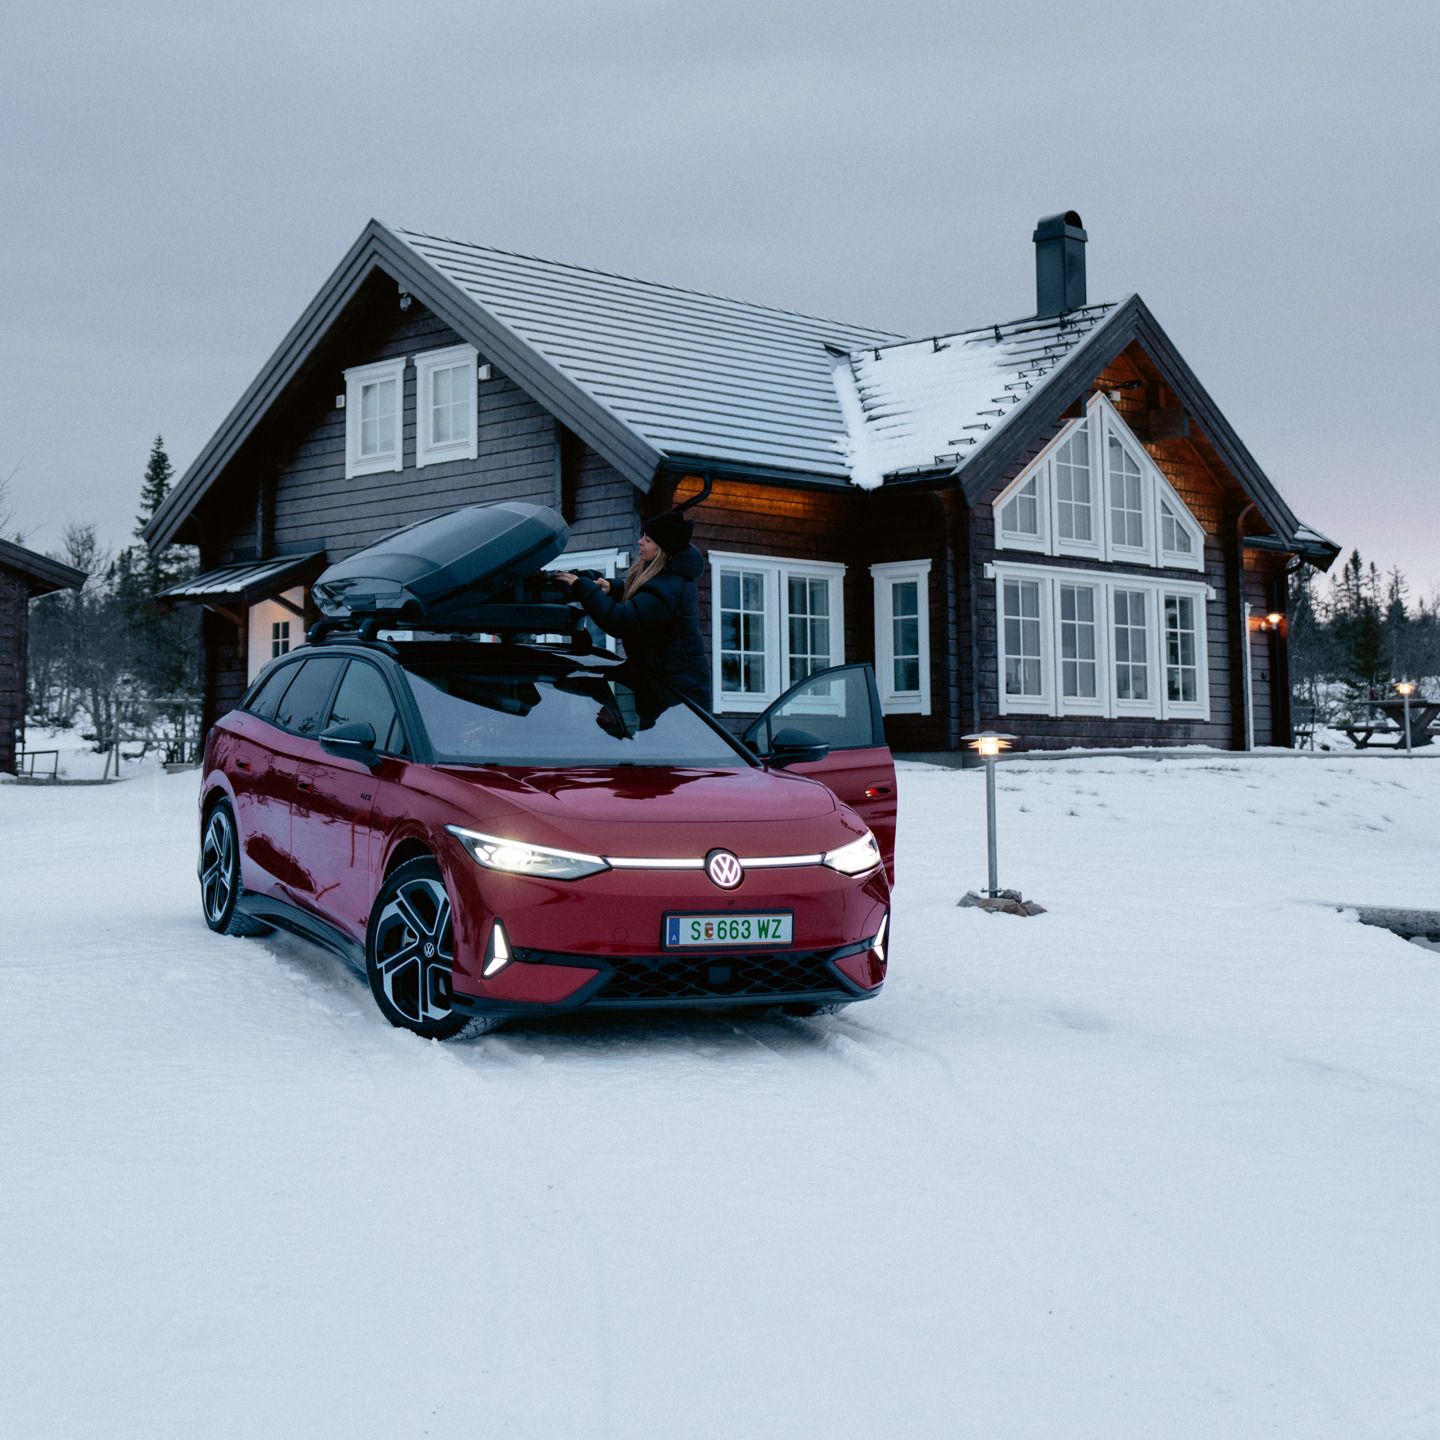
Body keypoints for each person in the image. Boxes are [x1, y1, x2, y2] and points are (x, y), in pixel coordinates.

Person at [553, 511, 709, 709]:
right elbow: (645, 599)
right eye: (643, 536)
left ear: (662, 550)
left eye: (648, 540)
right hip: (663, 684)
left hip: (677, 695)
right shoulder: (668, 580)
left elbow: (620, 621)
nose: (640, 541)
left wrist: (583, 588)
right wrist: (614, 588)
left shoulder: (669, 587)